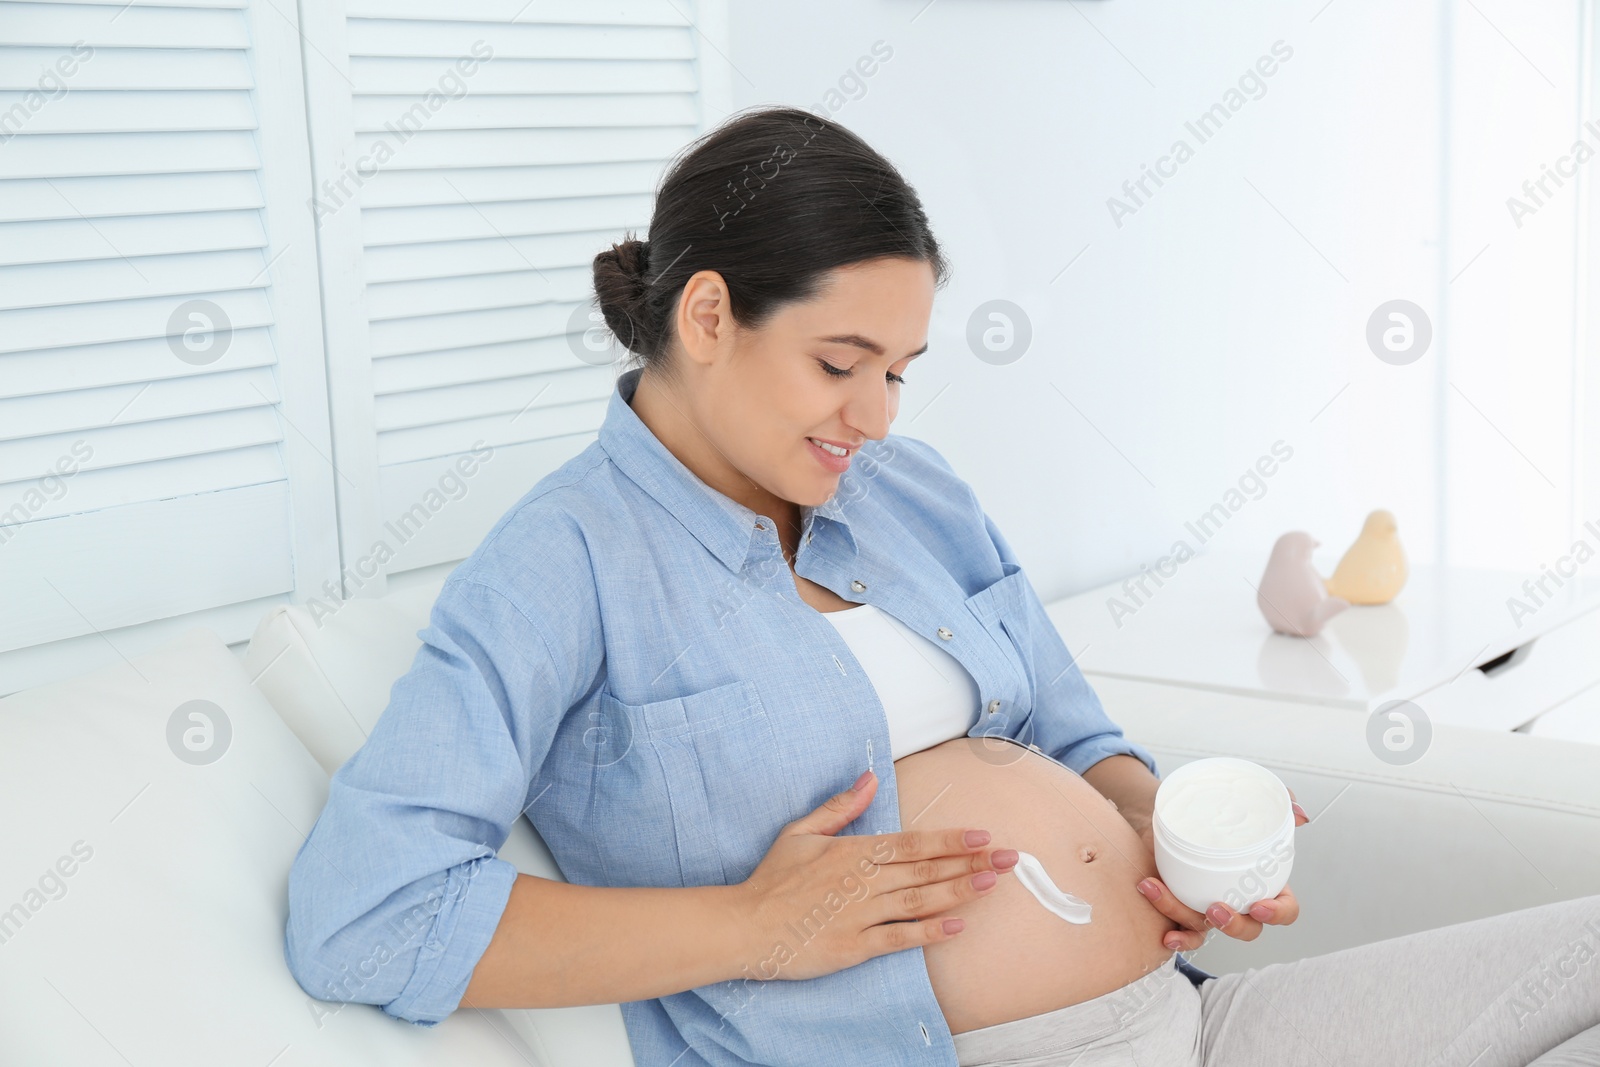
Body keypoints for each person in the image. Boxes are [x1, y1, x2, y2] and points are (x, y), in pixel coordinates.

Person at [284, 106, 1600, 1066]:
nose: (877, 415)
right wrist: (755, 925)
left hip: (1193, 1020)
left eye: (901, 369)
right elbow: (369, 915)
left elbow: (1081, 735)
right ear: (704, 317)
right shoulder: (560, 566)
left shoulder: (910, 497)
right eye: (840, 362)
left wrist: (1171, 836)